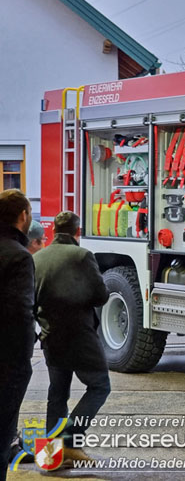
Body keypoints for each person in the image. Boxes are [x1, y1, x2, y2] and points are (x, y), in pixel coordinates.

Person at [33, 211, 110, 463]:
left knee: (57, 393)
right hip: (80, 337)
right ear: (77, 232)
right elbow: (101, 296)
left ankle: (51, 455)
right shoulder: (82, 255)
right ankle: (69, 439)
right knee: (99, 386)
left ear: (53, 230)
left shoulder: (38, 258)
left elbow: (31, 299)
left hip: (51, 335)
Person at [0, 190, 34, 481]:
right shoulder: (19, 257)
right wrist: (24, 363)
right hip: (6, 363)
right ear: (23, 216)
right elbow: (19, 314)